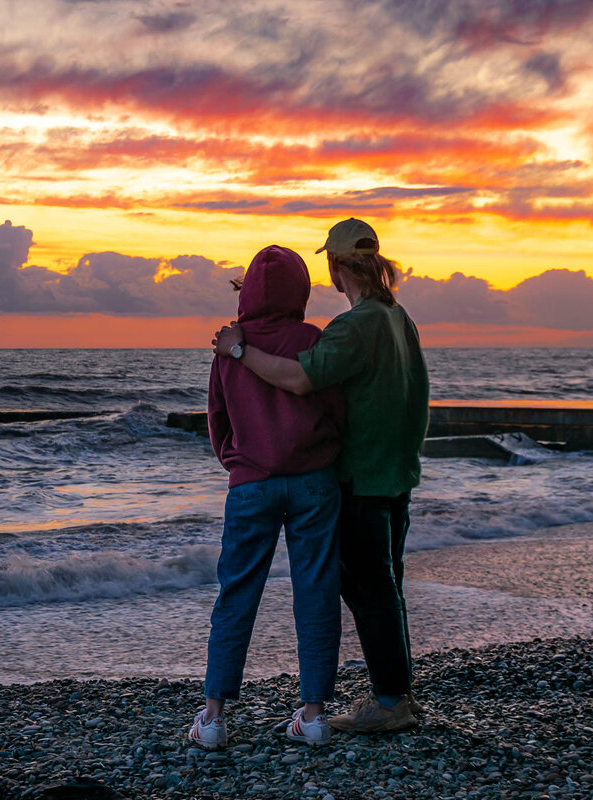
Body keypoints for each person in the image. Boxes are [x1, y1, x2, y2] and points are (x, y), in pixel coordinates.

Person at [213, 218, 429, 734]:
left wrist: (239, 351)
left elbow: (301, 379)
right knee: (383, 584)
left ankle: (390, 702)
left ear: (333, 266)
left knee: (368, 589)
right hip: (395, 473)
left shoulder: (355, 326)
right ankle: (394, 692)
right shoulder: (399, 318)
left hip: (361, 476)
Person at [189, 244, 345, 751]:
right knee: (316, 591)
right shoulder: (310, 338)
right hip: (314, 481)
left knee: (236, 594)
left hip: (250, 483)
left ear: (248, 290)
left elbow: (218, 420)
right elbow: (336, 410)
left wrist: (237, 462)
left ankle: (213, 718)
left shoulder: (230, 346)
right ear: (299, 290)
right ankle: (315, 714)